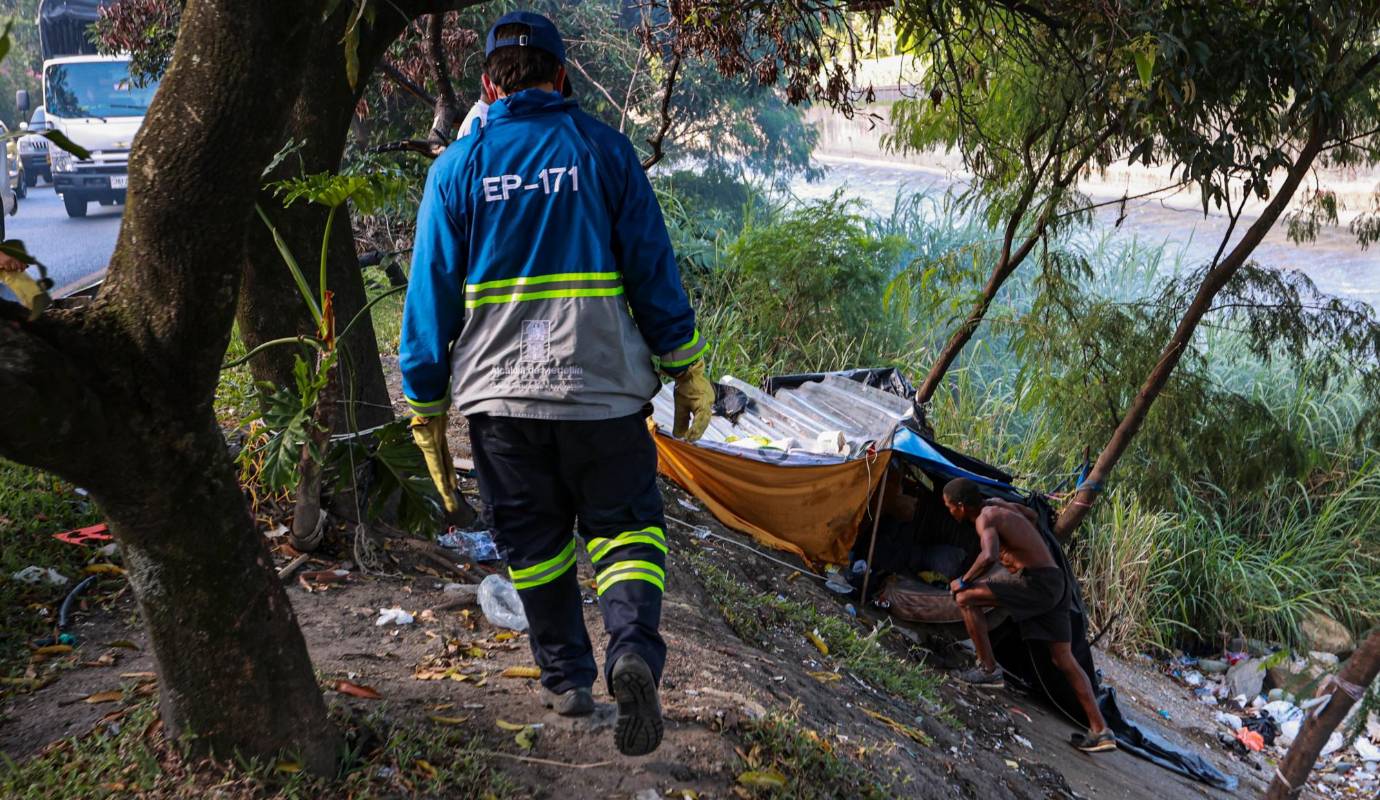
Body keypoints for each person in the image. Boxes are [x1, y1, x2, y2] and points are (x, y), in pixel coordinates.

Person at [398, 10, 715, 758]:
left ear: (487, 83)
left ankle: (568, 679)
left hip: (501, 405)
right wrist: (687, 366)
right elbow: (652, 272)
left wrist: (424, 406)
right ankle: (631, 651)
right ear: (561, 76)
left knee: (534, 542)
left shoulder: (457, 170)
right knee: (626, 529)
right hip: (603, 396)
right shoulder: (604, 152)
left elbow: (429, 298)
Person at [941, 478, 1116, 753]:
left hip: (1036, 582)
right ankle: (1101, 729)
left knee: (965, 597)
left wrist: (962, 580)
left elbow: (989, 555)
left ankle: (988, 670)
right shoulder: (999, 506)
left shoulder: (984, 518)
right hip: (1057, 582)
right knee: (1063, 658)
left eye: (949, 507)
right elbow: (1033, 515)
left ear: (961, 507)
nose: (949, 512)